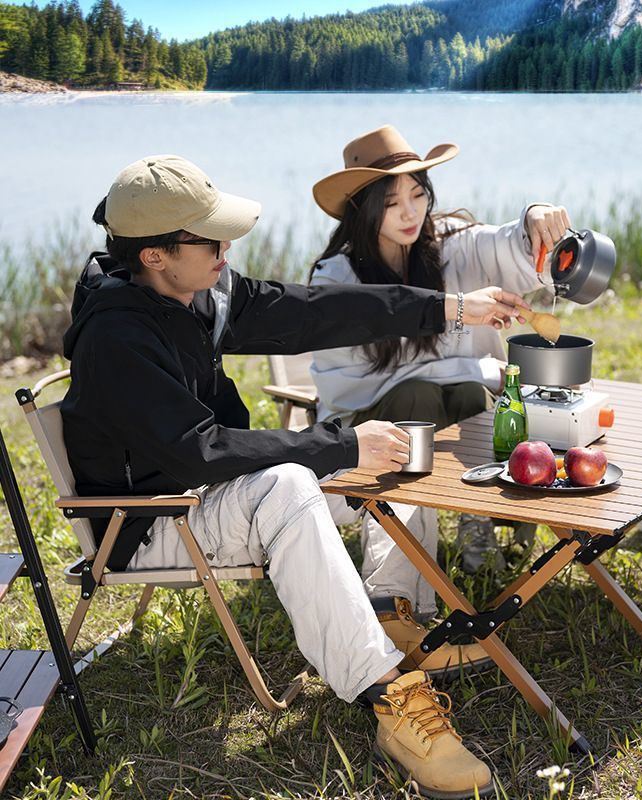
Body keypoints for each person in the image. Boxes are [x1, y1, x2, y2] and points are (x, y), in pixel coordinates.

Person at [60, 154, 530, 799]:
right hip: (152, 521)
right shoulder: (117, 338)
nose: (228, 248)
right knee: (295, 481)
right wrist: (338, 443)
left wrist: (447, 308)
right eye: (211, 239)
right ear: (155, 256)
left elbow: (314, 310)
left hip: (210, 497)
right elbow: (199, 452)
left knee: (397, 453)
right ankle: (390, 699)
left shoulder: (195, 293)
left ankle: (390, 612)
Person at [309, 125, 571, 648]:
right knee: (422, 400)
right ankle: (400, 597)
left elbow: (509, 245)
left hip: (458, 413)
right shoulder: (336, 278)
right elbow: (355, 389)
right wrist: (474, 367)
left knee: (477, 394)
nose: (411, 213)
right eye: (392, 202)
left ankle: (480, 523)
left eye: (418, 194)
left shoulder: (451, 246)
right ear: (363, 211)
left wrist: (535, 216)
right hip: (369, 434)